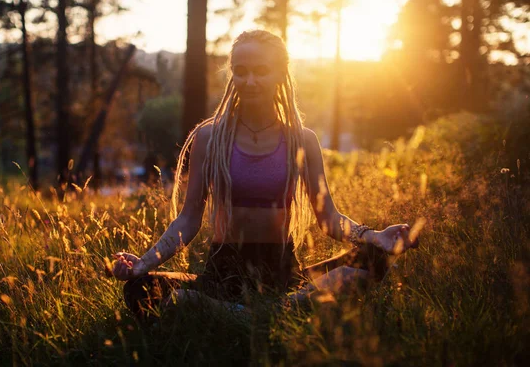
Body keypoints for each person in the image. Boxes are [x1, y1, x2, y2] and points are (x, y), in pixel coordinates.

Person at [112, 30, 419, 316]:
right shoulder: (210, 137)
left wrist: (373, 236)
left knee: (376, 259)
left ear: (280, 74)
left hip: (283, 270)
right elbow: (189, 218)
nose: (250, 80)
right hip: (224, 271)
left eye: (261, 70)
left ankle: (237, 312)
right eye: (240, 71)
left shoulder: (303, 140)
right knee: (139, 289)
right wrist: (143, 263)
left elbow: (328, 218)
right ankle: (275, 312)